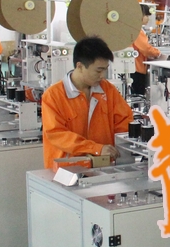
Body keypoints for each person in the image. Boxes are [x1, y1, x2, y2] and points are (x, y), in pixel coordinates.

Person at [40, 36, 133, 168]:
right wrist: (95, 148)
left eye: (105, 69)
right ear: (80, 66)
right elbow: (57, 134)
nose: (103, 76)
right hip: (67, 169)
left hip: (104, 167)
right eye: (98, 70)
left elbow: (124, 122)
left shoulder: (108, 90)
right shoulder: (53, 96)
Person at [131, 4, 161, 97]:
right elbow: (146, 49)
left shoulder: (130, 28)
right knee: (138, 96)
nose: (148, 18)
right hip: (136, 69)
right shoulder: (136, 30)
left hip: (131, 67)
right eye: (146, 15)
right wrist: (158, 53)